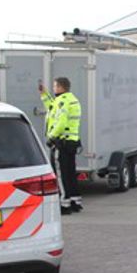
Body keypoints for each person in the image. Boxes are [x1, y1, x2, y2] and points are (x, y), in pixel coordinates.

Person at [39, 77, 83, 214]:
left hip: (61, 143)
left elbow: (61, 122)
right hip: (71, 142)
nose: (53, 88)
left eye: (54, 86)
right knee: (70, 173)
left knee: (60, 174)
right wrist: (44, 95)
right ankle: (75, 201)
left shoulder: (63, 102)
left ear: (60, 87)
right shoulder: (71, 99)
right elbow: (52, 108)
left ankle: (64, 205)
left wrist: (51, 137)